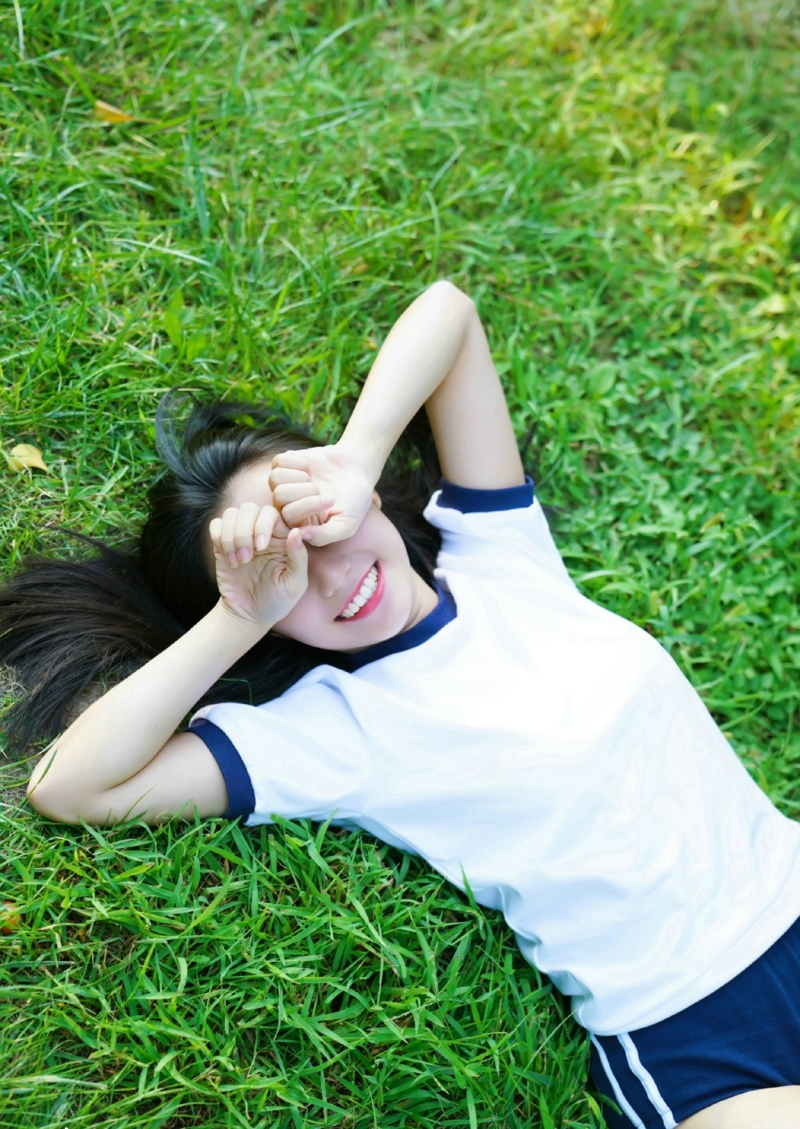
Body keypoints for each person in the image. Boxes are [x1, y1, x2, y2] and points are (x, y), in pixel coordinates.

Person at [4, 281, 800, 1128]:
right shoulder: (330, 729)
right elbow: (69, 784)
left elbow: (450, 314)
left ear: (359, 494)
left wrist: (355, 452)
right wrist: (239, 614)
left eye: (317, 525)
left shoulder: (499, 554)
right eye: (289, 573)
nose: (333, 574)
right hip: (692, 1025)